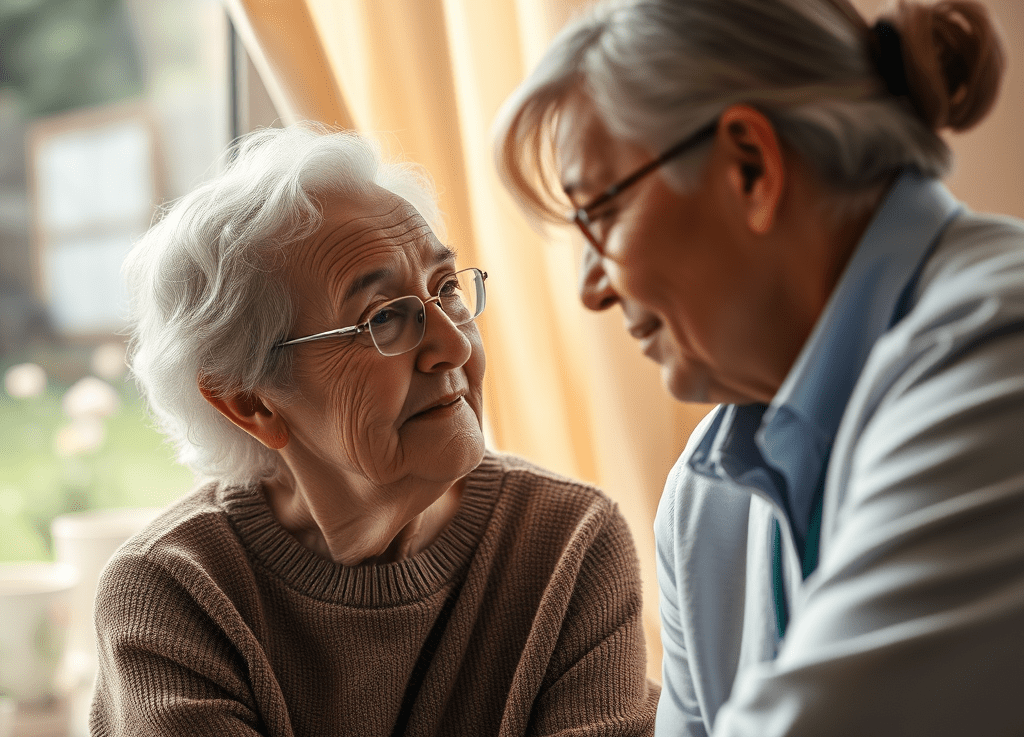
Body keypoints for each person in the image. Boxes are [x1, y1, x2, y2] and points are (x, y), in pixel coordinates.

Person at [493, 0, 1023, 735]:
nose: (591, 286)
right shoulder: (703, 499)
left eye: (601, 213)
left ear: (751, 164)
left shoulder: (999, 349)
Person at [90, 123, 659, 737]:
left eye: (447, 289)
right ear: (250, 403)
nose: (449, 344)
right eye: (384, 318)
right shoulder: (175, 594)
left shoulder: (566, 544)